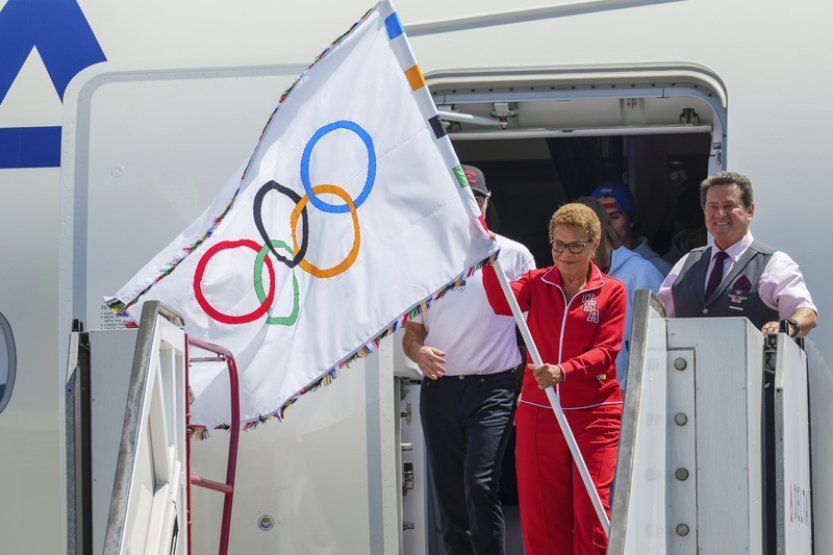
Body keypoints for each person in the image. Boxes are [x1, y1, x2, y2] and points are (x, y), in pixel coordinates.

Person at [402, 164, 535, 555]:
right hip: (441, 390)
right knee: (449, 495)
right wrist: (419, 353)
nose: (469, 207)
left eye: (476, 200)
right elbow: (412, 336)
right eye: (461, 201)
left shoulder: (514, 255)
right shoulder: (426, 261)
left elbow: (535, 328)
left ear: (486, 203)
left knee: (481, 486)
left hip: (494, 388)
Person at [481, 203, 626, 554]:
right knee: (542, 519)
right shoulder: (536, 281)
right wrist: (486, 259)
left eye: (576, 246)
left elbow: (606, 351)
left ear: (594, 245)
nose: (566, 254)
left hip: (595, 414)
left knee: (592, 518)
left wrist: (563, 371)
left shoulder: (612, 291)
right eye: (558, 245)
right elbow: (502, 302)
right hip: (539, 412)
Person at [657, 171, 817, 337]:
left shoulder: (774, 264)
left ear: (750, 211)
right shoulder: (687, 262)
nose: (719, 214)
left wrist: (784, 327)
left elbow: (806, 313)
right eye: (712, 207)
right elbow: (657, 318)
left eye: (729, 206)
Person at [577, 197, 663, 389]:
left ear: (596, 237)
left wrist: (630, 390)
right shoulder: (572, 277)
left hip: (626, 397)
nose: (570, 253)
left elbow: (658, 343)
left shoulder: (641, 271)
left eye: (576, 244)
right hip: (582, 395)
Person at [591, 181, 672, 276]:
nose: (606, 225)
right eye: (599, 218)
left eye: (615, 217)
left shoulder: (658, 268)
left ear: (631, 220)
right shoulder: (584, 267)